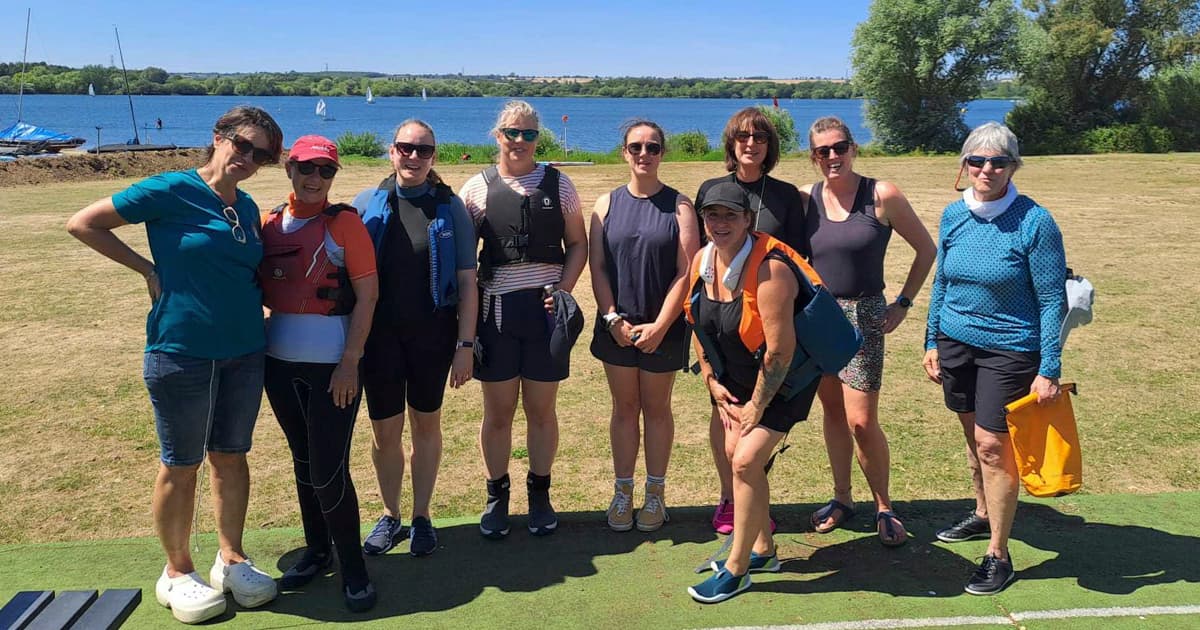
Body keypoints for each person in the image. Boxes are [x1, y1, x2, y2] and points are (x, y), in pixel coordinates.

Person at [66, 106, 283, 624]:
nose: (249, 159)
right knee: (180, 463)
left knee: (231, 456)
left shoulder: (248, 207)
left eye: (263, 155)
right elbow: (83, 223)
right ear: (219, 138)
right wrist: (147, 269)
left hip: (245, 352)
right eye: (244, 146)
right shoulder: (170, 189)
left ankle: (231, 559)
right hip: (179, 350)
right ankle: (177, 571)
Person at [923, 122, 1066, 595]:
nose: (987, 169)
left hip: (1010, 347)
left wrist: (1049, 368)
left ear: (1013, 166)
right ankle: (983, 512)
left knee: (992, 444)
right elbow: (942, 280)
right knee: (972, 434)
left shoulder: (1035, 221)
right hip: (955, 342)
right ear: (964, 165)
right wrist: (930, 341)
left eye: (998, 161)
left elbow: (1051, 300)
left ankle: (998, 554)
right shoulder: (952, 214)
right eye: (977, 161)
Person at [684, 182, 824, 604]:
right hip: (737, 377)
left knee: (745, 461)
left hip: (785, 380)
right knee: (737, 458)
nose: (720, 223)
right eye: (712, 214)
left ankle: (737, 569)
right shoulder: (703, 259)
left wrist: (756, 407)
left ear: (748, 219)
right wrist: (711, 380)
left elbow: (781, 353)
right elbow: (697, 323)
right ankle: (763, 549)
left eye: (730, 215)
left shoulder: (771, 268)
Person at [801, 116, 935, 546]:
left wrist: (904, 303)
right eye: (823, 151)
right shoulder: (806, 200)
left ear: (853, 148)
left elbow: (926, 249)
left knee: (861, 420)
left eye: (839, 147)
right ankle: (842, 499)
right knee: (833, 413)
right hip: (819, 317)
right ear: (813, 157)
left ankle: (884, 506)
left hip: (864, 315)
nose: (832, 157)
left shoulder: (881, 194)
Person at [260, 135, 378, 611]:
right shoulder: (268, 222)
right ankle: (316, 550)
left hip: (333, 365)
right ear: (290, 168)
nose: (315, 179)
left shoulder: (344, 223)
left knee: (329, 469)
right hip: (278, 364)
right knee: (304, 463)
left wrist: (350, 362)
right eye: (306, 168)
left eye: (325, 172)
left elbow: (368, 297)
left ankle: (353, 567)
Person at [460, 100, 587, 539]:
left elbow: (578, 245)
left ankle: (539, 493)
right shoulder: (476, 189)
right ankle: (497, 496)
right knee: (497, 413)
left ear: (538, 138)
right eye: (512, 132)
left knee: (541, 410)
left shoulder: (560, 185)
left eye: (529, 134)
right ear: (498, 135)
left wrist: (564, 291)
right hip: (496, 314)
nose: (519, 141)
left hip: (545, 315)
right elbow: (463, 262)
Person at [353, 119, 478, 558]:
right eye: (406, 148)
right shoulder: (366, 203)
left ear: (434, 157)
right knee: (384, 432)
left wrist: (465, 346)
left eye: (423, 150)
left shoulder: (450, 207)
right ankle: (390, 515)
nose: (413, 157)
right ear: (392, 151)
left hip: (432, 337)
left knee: (426, 425)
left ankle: (422, 516)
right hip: (378, 340)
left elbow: (467, 280)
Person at [694, 106, 808, 535]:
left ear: (769, 146)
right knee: (725, 416)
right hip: (722, 323)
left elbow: (797, 262)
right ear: (731, 142)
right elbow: (699, 261)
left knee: (759, 426)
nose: (751, 143)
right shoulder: (712, 189)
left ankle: (754, 505)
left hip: (769, 325)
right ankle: (729, 498)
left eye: (760, 137)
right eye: (743, 136)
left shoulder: (786, 196)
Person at [589, 120, 700, 532]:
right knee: (624, 409)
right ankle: (623, 491)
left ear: (662, 153)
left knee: (656, 409)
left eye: (652, 147)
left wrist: (660, 325)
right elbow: (597, 266)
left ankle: (655, 494)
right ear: (624, 152)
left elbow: (686, 273)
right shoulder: (605, 205)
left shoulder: (680, 206)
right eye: (636, 146)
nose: (644, 154)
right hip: (615, 325)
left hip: (663, 328)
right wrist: (612, 317)